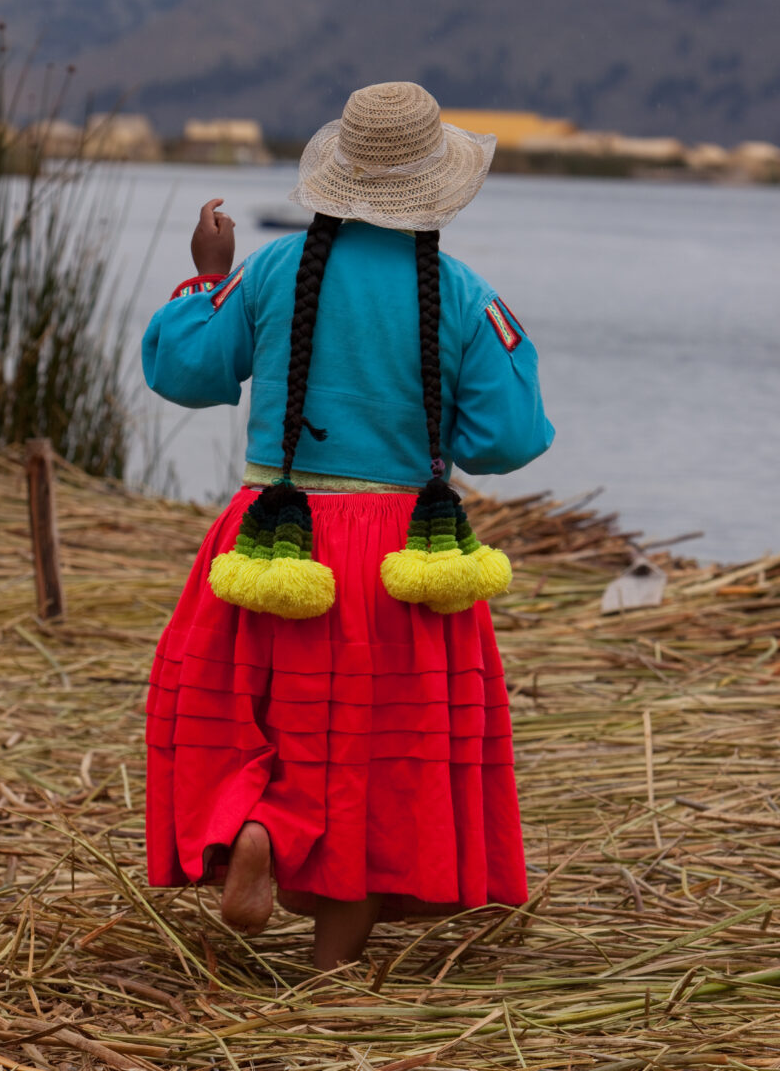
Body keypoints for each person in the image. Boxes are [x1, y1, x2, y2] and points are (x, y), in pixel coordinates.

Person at [142, 81, 554, 971]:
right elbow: (510, 441)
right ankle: (330, 974)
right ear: (437, 189)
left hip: (269, 542)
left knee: (254, 716)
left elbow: (186, 372)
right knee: (373, 751)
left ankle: (257, 826)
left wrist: (207, 277)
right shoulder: (462, 293)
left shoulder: (273, 271)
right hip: (403, 557)